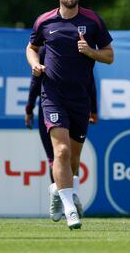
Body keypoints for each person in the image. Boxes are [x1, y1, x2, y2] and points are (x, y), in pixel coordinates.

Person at [26, 0, 114, 230]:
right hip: (52, 95)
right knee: (61, 152)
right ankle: (69, 209)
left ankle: (58, 190)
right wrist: (34, 64)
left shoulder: (93, 21)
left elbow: (109, 56)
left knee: (73, 161)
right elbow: (31, 47)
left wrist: (90, 51)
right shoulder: (44, 22)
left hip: (80, 97)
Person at [25, 46, 99, 184]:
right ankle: (61, 199)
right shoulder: (44, 50)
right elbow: (36, 80)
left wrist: (29, 109)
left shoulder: (80, 48)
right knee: (58, 155)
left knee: (68, 157)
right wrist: (29, 108)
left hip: (74, 107)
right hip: (52, 107)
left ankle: (70, 197)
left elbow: (89, 79)